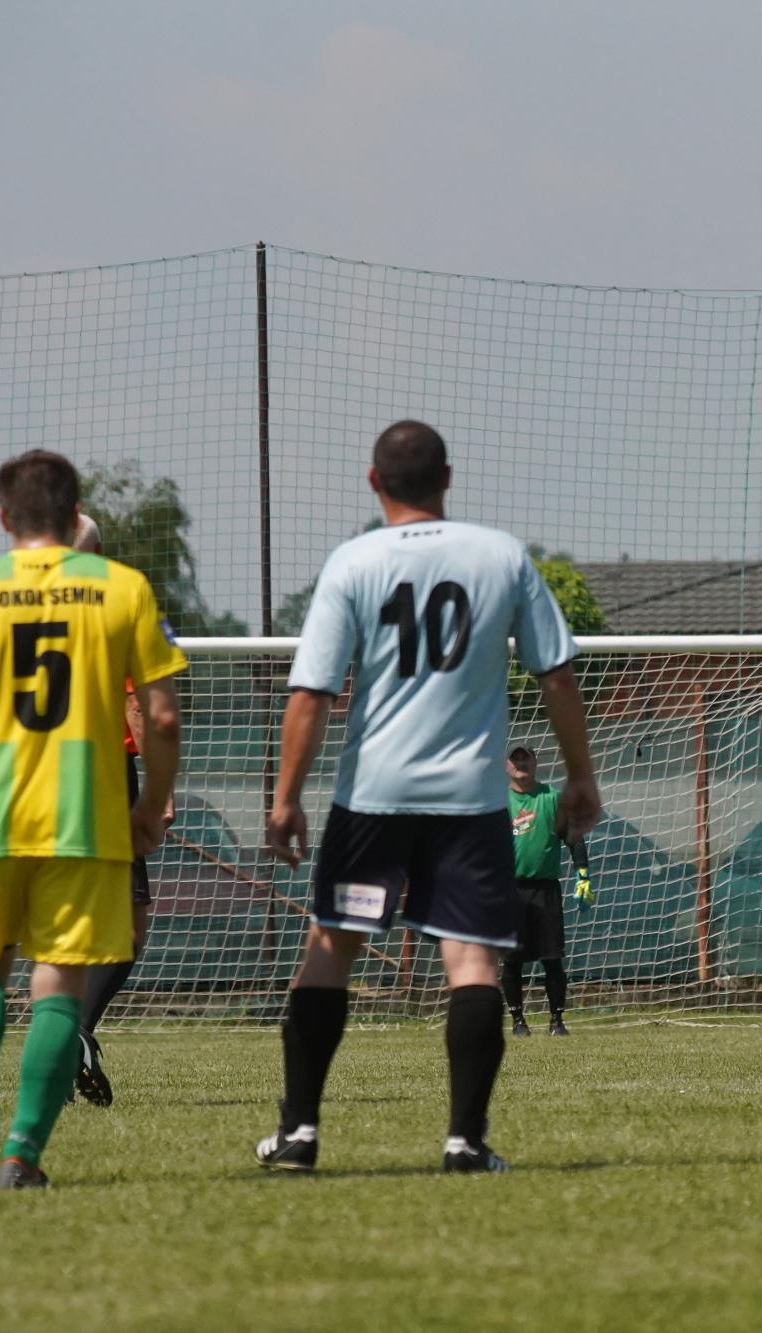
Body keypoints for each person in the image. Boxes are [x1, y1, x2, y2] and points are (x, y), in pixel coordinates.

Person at [255, 420, 599, 1175]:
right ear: (448, 477)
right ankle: (464, 1142)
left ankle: (299, 1133)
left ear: (373, 482)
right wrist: (581, 775)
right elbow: (557, 675)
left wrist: (284, 798)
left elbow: (311, 692)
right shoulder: (500, 555)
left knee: (330, 948)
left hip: (372, 797)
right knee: (471, 961)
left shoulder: (353, 562)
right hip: (469, 803)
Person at [0, 450, 186, 1189]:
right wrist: (151, 802)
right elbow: (162, 715)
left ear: (2, 517)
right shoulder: (124, 590)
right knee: (60, 980)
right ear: (75, 512)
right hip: (85, 812)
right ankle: (22, 1153)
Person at [66, 511, 173, 1107]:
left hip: (29, 771)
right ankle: (75, 1034)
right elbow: (141, 705)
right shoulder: (118, 603)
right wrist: (160, 791)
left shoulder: (7, 599)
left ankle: (59, 1047)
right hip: (101, 770)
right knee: (129, 922)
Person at [503, 743, 593, 1037]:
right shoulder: (498, 802)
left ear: (535, 763)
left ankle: (557, 1021)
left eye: (525, 758)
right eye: (515, 759)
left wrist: (582, 875)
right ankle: (518, 1021)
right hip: (509, 891)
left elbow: (574, 837)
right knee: (512, 960)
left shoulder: (552, 798)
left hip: (545, 890)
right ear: (506, 766)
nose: (520, 764)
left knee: (552, 957)